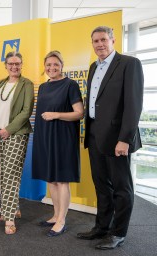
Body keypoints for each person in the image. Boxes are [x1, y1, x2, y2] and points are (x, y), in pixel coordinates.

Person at [77, 26, 144, 250]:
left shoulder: (129, 64)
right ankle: (102, 227)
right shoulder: (93, 67)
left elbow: (133, 105)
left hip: (117, 138)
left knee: (121, 188)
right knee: (101, 185)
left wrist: (125, 139)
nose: (99, 44)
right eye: (95, 41)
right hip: (95, 134)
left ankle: (118, 232)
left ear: (113, 40)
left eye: (103, 40)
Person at [32, 51, 84, 237]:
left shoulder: (70, 85)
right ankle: (55, 215)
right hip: (46, 137)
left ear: (62, 65)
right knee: (51, 179)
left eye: (55, 65)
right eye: (48, 65)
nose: (51, 68)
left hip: (63, 138)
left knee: (62, 179)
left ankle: (62, 220)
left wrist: (57, 115)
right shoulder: (44, 87)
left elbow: (79, 113)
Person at [0, 51, 34, 235]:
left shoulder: (27, 84)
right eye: (11, 64)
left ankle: (9, 218)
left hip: (15, 133)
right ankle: (13, 207)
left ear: (22, 65)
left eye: (18, 63)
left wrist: (8, 129)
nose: (14, 67)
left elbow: (26, 111)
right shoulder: (1, 83)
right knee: (1, 171)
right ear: (5, 65)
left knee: (10, 173)